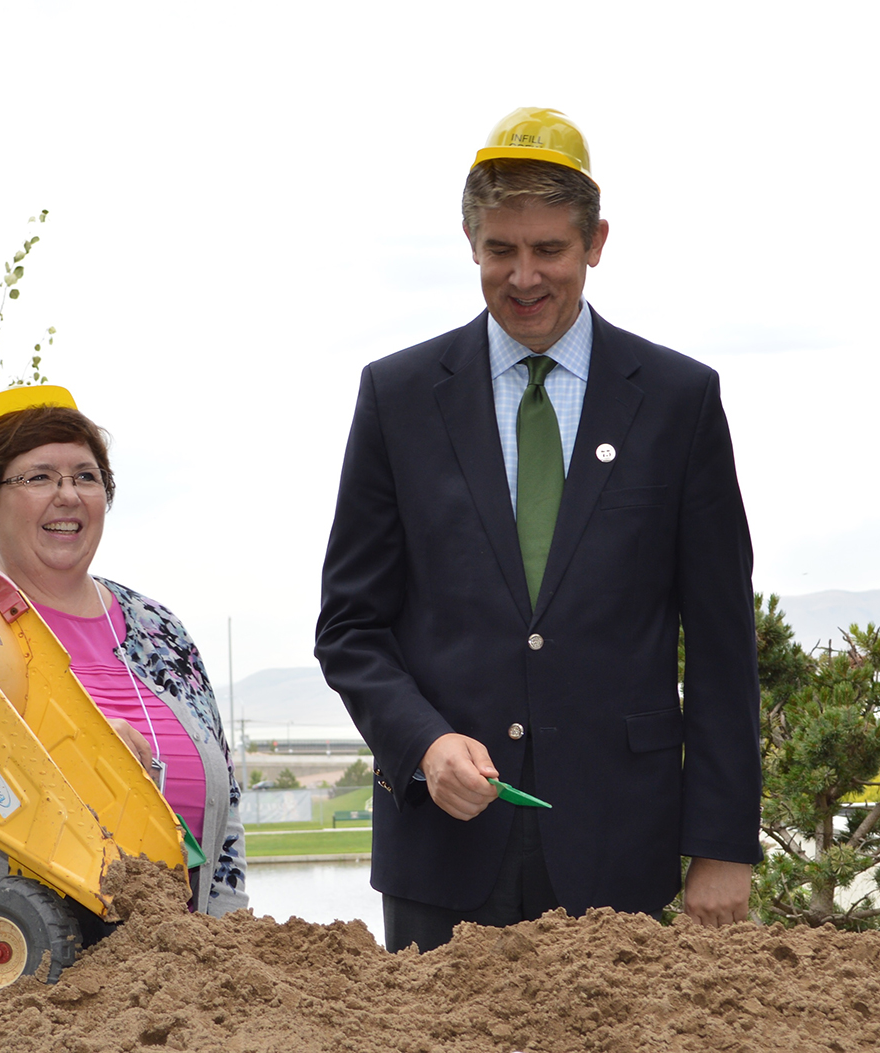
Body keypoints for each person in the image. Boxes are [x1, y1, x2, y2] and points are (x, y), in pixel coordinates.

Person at [315, 107, 761, 952]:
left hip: (621, 852)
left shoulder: (679, 401)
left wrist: (723, 844)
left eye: (549, 250)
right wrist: (424, 742)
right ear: (470, 241)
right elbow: (351, 627)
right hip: (438, 852)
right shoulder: (397, 397)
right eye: (501, 251)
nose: (524, 277)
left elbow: (721, 643)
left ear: (596, 243)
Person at [0, 384, 247, 917]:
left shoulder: (160, 629)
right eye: (39, 476)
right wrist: (66, 754)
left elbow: (224, 809)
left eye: (86, 477)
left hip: (168, 983)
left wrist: (232, 943)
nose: (68, 494)